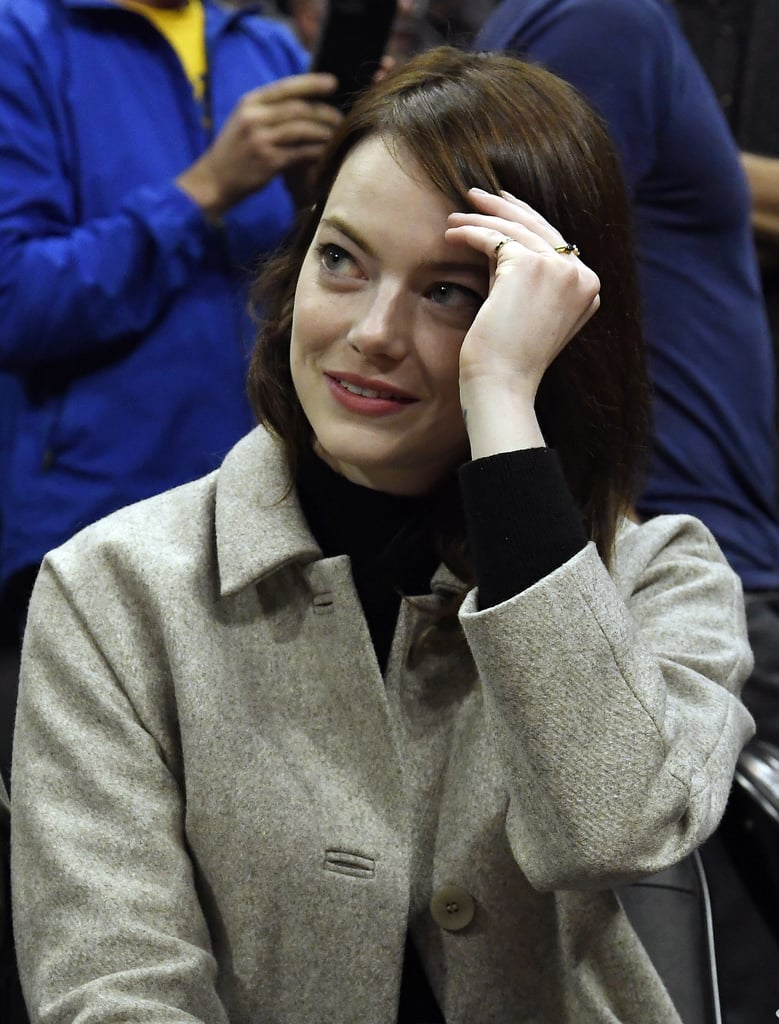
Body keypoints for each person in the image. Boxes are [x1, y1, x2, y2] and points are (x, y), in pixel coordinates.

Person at [12, 47, 754, 1023]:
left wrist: (498, 400)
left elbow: (605, 829)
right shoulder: (113, 591)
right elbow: (113, 989)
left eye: (449, 289)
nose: (369, 330)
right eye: (339, 259)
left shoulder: (660, 575)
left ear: (543, 324)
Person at [475, 0, 779, 747]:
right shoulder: (602, 19)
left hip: (672, 537)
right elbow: (527, 286)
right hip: (659, 544)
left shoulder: (574, 23)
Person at [0, 0, 341, 656]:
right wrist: (202, 191)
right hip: (93, 523)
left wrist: (319, 198)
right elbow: (17, 302)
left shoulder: (264, 48)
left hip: (279, 515)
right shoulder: (25, 40)